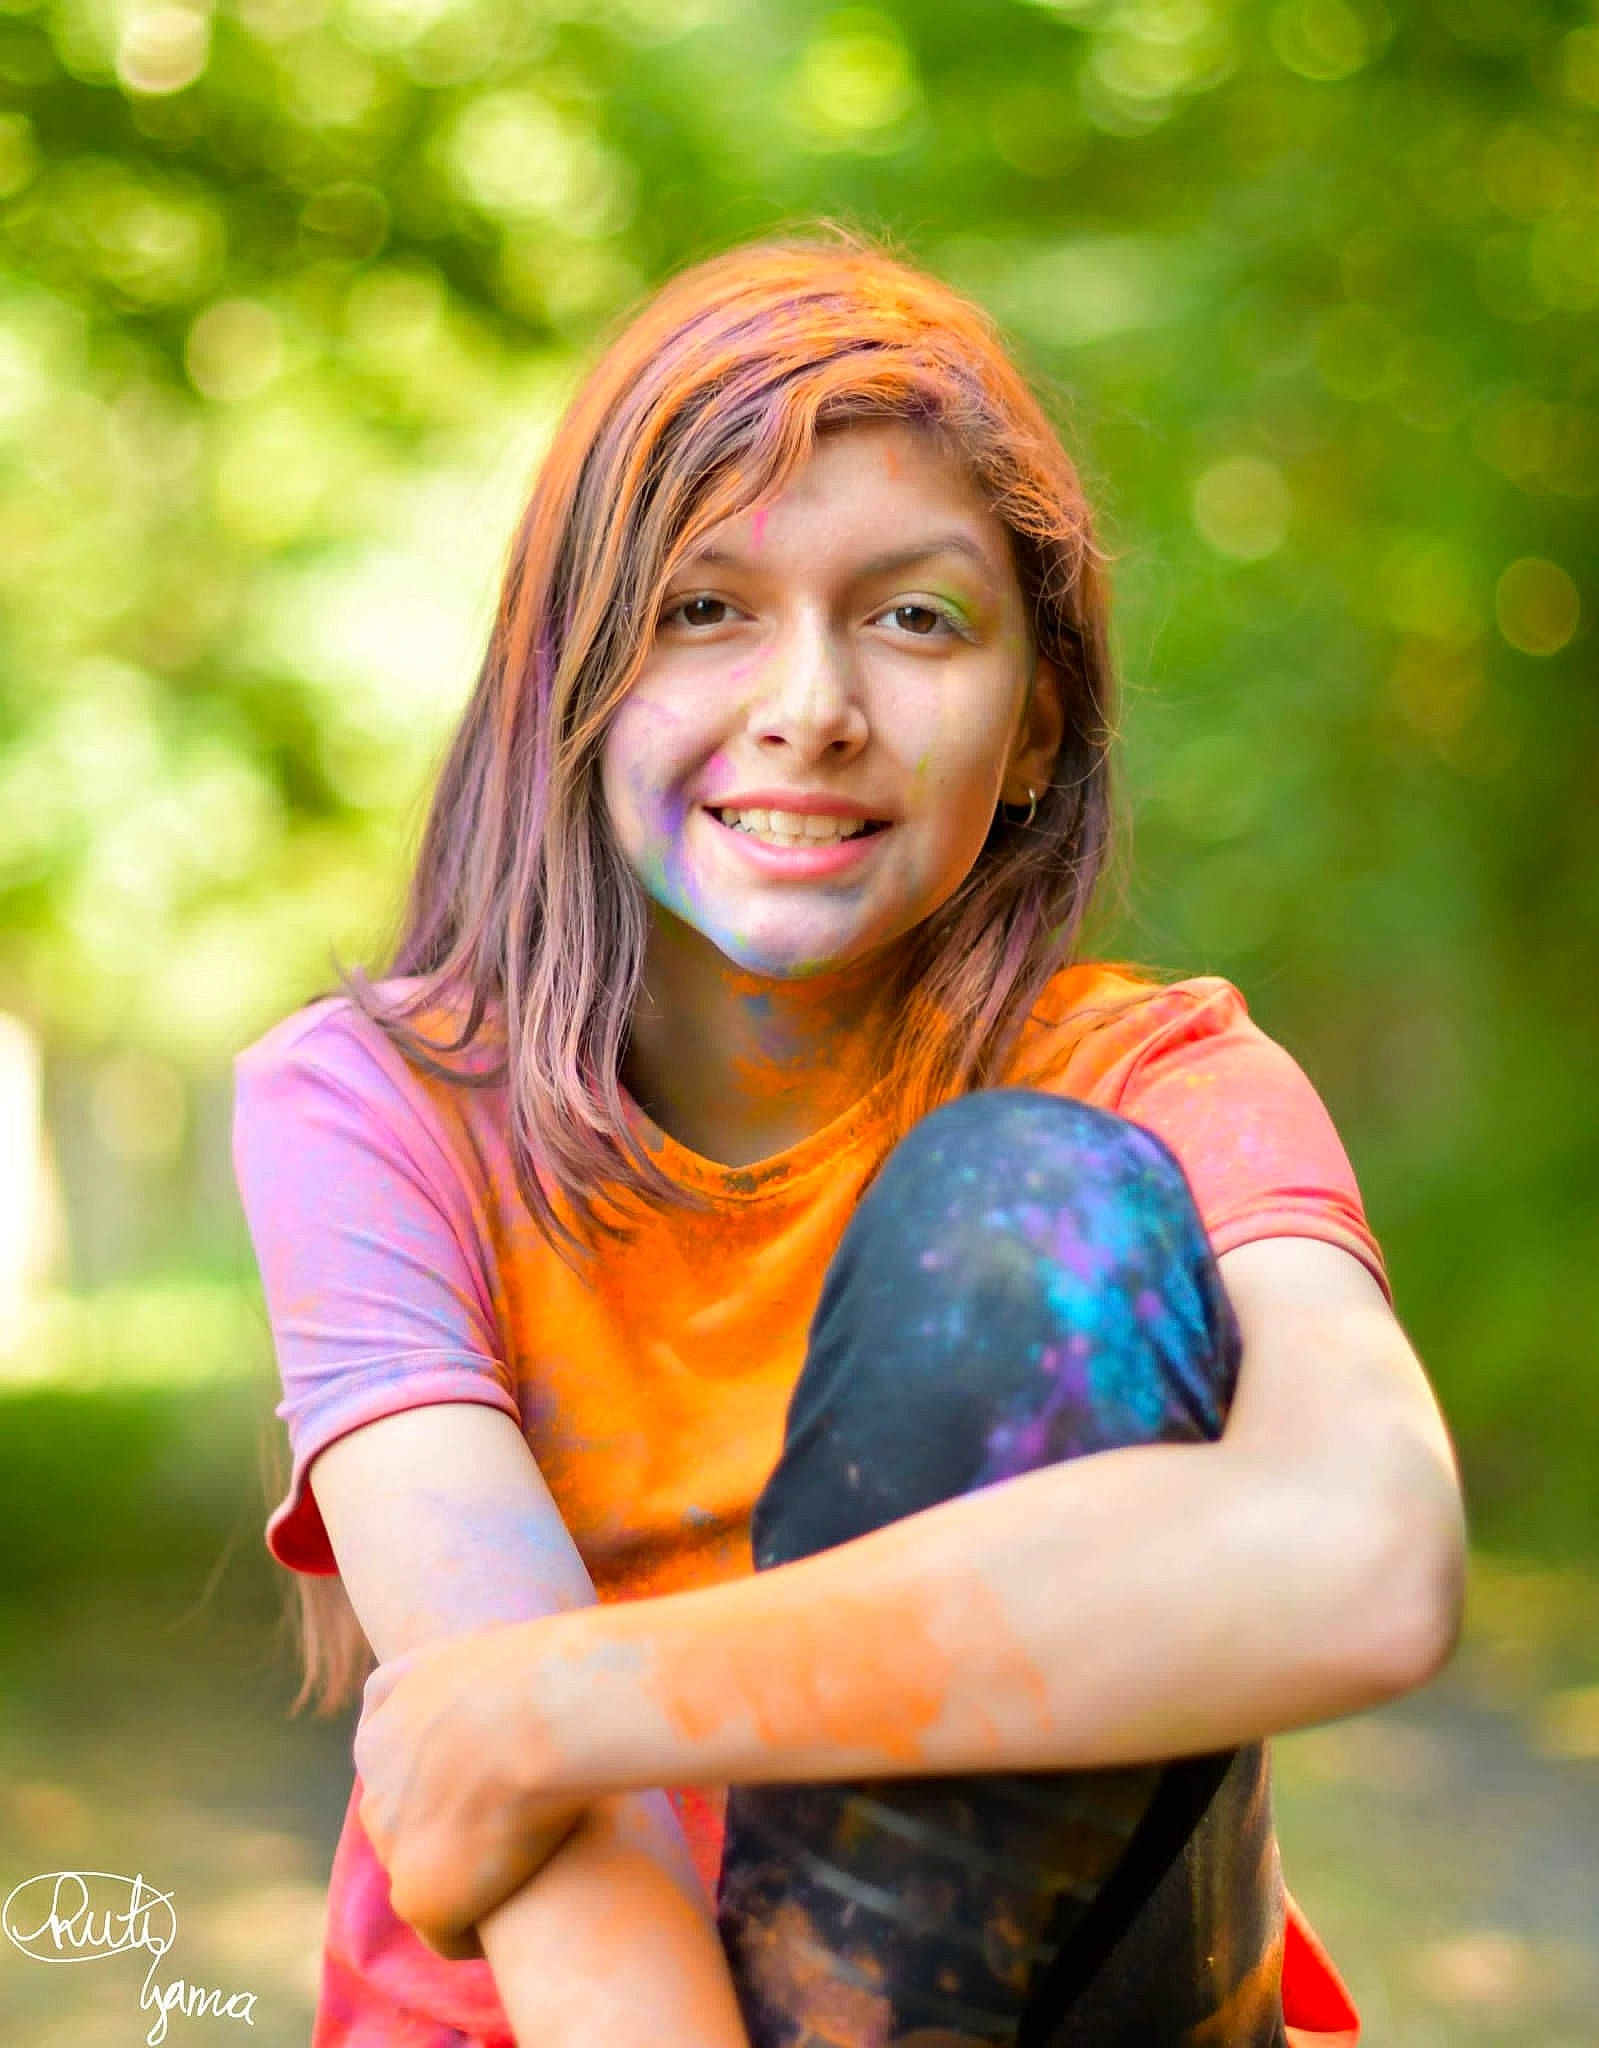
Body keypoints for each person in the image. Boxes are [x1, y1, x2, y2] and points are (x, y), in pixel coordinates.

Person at [233, 228, 1466, 2048]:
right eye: (702, 607)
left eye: (914, 616)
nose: (809, 704)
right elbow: (565, 1876)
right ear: (570, 684)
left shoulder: (1159, 1075)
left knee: (1032, 1209)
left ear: (1038, 717)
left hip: (1074, 1999)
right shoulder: (377, 1107)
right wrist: (538, 1727)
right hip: (576, 2014)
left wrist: (554, 1701)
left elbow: (1369, 1560)